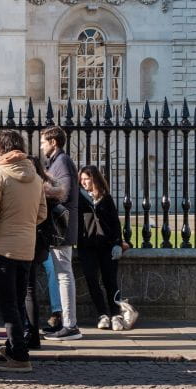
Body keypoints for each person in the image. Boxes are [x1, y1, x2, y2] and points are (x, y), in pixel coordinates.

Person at [0, 130, 47, 373]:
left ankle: (19, 355)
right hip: (26, 249)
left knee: (8, 304)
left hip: (2, 249)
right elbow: (42, 214)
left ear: (1, 149)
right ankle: (13, 346)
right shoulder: (36, 177)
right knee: (18, 301)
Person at [40, 126, 83, 342]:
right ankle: (65, 323)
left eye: (43, 142)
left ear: (53, 142)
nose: (41, 146)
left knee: (64, 274)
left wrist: (42, 191)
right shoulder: (57, 162)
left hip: (61, 227)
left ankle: (70, 324)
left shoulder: (62, 161)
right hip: (59, 228)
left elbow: (63, 192)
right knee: (61, 274)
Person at [78, 165, 130, 330]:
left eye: (87, 179)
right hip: (87, 246)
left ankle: (116, 314)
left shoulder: (106, 198)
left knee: (110, 282)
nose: (84, 182)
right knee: (92, 280)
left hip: (107, 246)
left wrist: (117, 243)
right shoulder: (79, 198)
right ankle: (102, 314)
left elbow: (115, 223)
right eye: (82, 180)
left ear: (95, 179)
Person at [24, 156, 59, 349]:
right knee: (28, 290)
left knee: (24, 290)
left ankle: (28, 332)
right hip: (39, 244)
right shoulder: (44, 187)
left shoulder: (32, 187)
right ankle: (32, 334)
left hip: (27, 241)